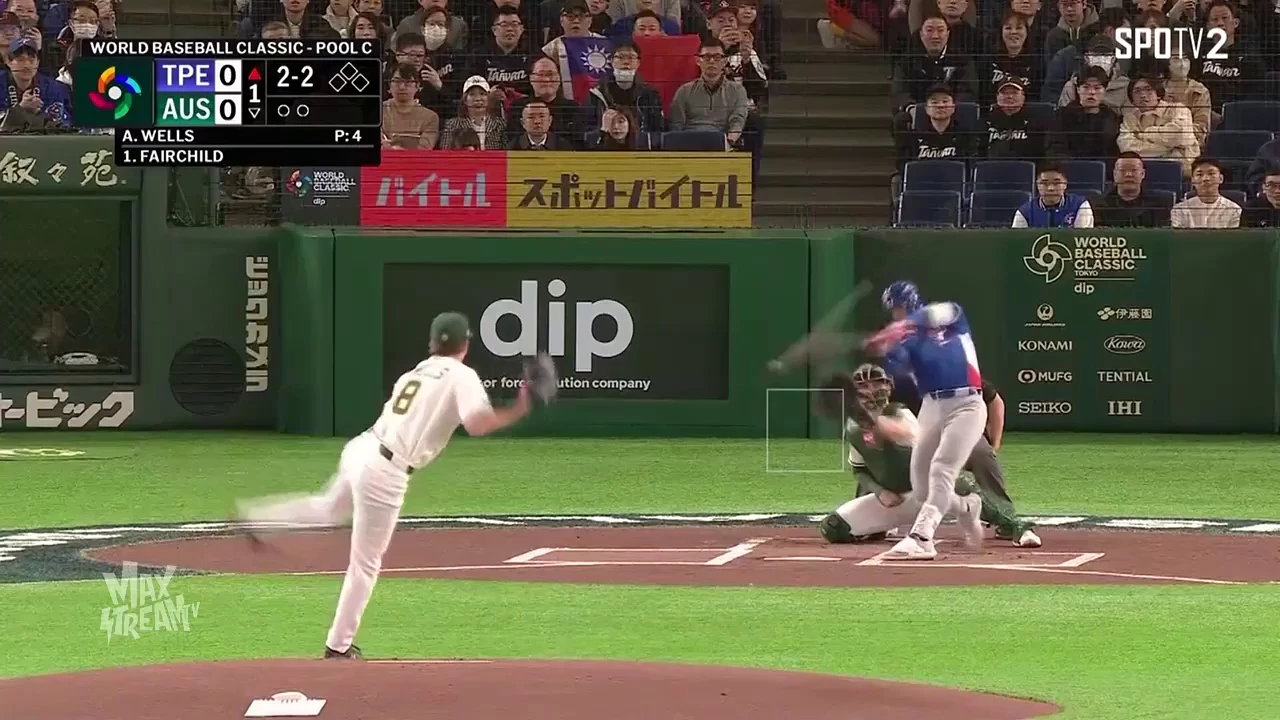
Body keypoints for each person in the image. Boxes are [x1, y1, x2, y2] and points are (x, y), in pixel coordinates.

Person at [235, 313, 538, 659]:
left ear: (432, 343)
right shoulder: (461, 375)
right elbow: (478, 424)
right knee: (366, 562)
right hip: (384, 471)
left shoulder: (416, 372)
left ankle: (258, 519)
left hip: (362, 448)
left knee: (326, 507)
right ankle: (338, 645)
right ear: (465, 344)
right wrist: (520, 408)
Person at [814, 363, 1039, 549]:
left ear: (889, 386)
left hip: (929, 490)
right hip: (895, 499)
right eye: (863, 386)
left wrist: (871, 421)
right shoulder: (853, 428)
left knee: (963, 483)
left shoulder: (899, 411)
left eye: (876, 383)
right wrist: (880, 492)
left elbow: (903, 433)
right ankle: (879, 528)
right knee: (834, 528)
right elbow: (859, 469)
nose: (871, 390)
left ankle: (1014, 526)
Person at [859, 284, 986, 561]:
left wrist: (899, 328)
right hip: (932, 407)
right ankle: (966, 508)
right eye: (894, 311)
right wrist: (884, 347)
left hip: (967, 403)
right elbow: (899, 365)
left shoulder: (953, 318)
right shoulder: (906, 341)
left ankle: (922, 538)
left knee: (942, 468)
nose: (897, 314)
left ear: (910, 302)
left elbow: (933, 314)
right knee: (921, 487)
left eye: (899, 308)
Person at [667, 38, 749, 148]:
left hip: (721, 141)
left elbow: (737, 121)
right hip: (689, 143)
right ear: (697, 61)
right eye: (706, 57)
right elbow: (676, 125)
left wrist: (729, 143)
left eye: (717, 57)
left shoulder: (737, 90)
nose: (712, 61)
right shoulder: (684, 90)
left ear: (725, 61)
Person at [1117, 74, 1199, 176]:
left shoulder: (1179, 109)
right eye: (1137, 91)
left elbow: (1181, 136)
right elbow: (1127, 148)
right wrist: (1170, 148)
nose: (1143, 95)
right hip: (1142, 173)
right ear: (1132, 99)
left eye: (1148, 90)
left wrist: (1145, 134)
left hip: (1182, 172)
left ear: (1158, 94)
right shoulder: (1129, 118)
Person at [586, 39, 665, 132]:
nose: (626, 62)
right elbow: (588, 127)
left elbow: (657, 128)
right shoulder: (597, 93)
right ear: (612, 61)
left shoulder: (649, 94)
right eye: (620, 57)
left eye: (631, 57)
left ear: (638, 63)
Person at [1046, 66, 1118, 163]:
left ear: (1105, 90)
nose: (1091, 92)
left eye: (1097, 88)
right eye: (1086, 87)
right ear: (1078, 89)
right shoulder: (1061, 116)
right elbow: (1055, 149)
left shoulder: (1112, 118)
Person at [0, 37, 72, 126]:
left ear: (37, 62)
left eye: (31, 60)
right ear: (8, 62)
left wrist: (38, 114)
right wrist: (20, 109)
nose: (26, 65)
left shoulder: (55, 88)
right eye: (20, 60)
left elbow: (64, 126)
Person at [1093, 152, 1174, 226]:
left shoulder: (1160, 204)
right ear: (1114, 174)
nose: (1128, 174)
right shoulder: (1099, 205)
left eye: (1134, 170)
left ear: (1143, 174)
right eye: (1122, 170)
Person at [1012, 163, 1094, 227]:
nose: (1050, 188)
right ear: (1037, 185)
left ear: (1065, 184)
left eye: (1056, 183)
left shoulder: (1080, 205)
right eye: (1044, 183)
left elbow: (1081, 239)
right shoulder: (1024, 212)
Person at [982, 77, 1046, 159]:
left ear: (1023, 96)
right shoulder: (985, 122)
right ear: (997, 97)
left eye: (1014, 93)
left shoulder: (1036, 124)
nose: (1009, 96)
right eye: (1004, 93)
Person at [439, 75, 508, 149]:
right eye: (472, 94)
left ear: (488, 99)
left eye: (482, 94)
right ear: (465, 100)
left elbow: (507, 151)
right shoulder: (452, 125)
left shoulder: (500, 124)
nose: (478, 99)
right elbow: (445, 151)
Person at [1170, 156, 1241, 228]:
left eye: (1211, 173)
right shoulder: (1180, 210)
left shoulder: (1234, 210)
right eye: (1199, 174)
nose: (1205, 178)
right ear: (1192, 180)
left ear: (1221, 178)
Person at [382, 62, 440, 149]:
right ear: (389, 86)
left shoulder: (430, 117)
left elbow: (425, 148)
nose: (402, 87)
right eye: (397, 81)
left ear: (418, 86)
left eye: (408, 82)